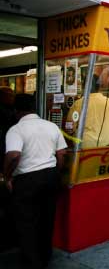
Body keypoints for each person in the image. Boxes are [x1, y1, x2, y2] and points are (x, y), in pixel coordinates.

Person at [4, 94, 67, 269]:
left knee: (26, 222)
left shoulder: (16, 130)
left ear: (16, 111)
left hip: (27, 180)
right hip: (51, 176)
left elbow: (13, 155)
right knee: (47, 219)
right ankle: (45, 257)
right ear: (34, 108)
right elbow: (61, 154)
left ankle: (32, 262)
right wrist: (56, 172)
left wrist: (7, 176)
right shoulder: (51, 126)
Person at [68, 74, 109, 148]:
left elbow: (70, 126)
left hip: (85, 146)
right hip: (108, 145)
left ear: (84, 87)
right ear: (99, 87)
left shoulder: (78, 103)